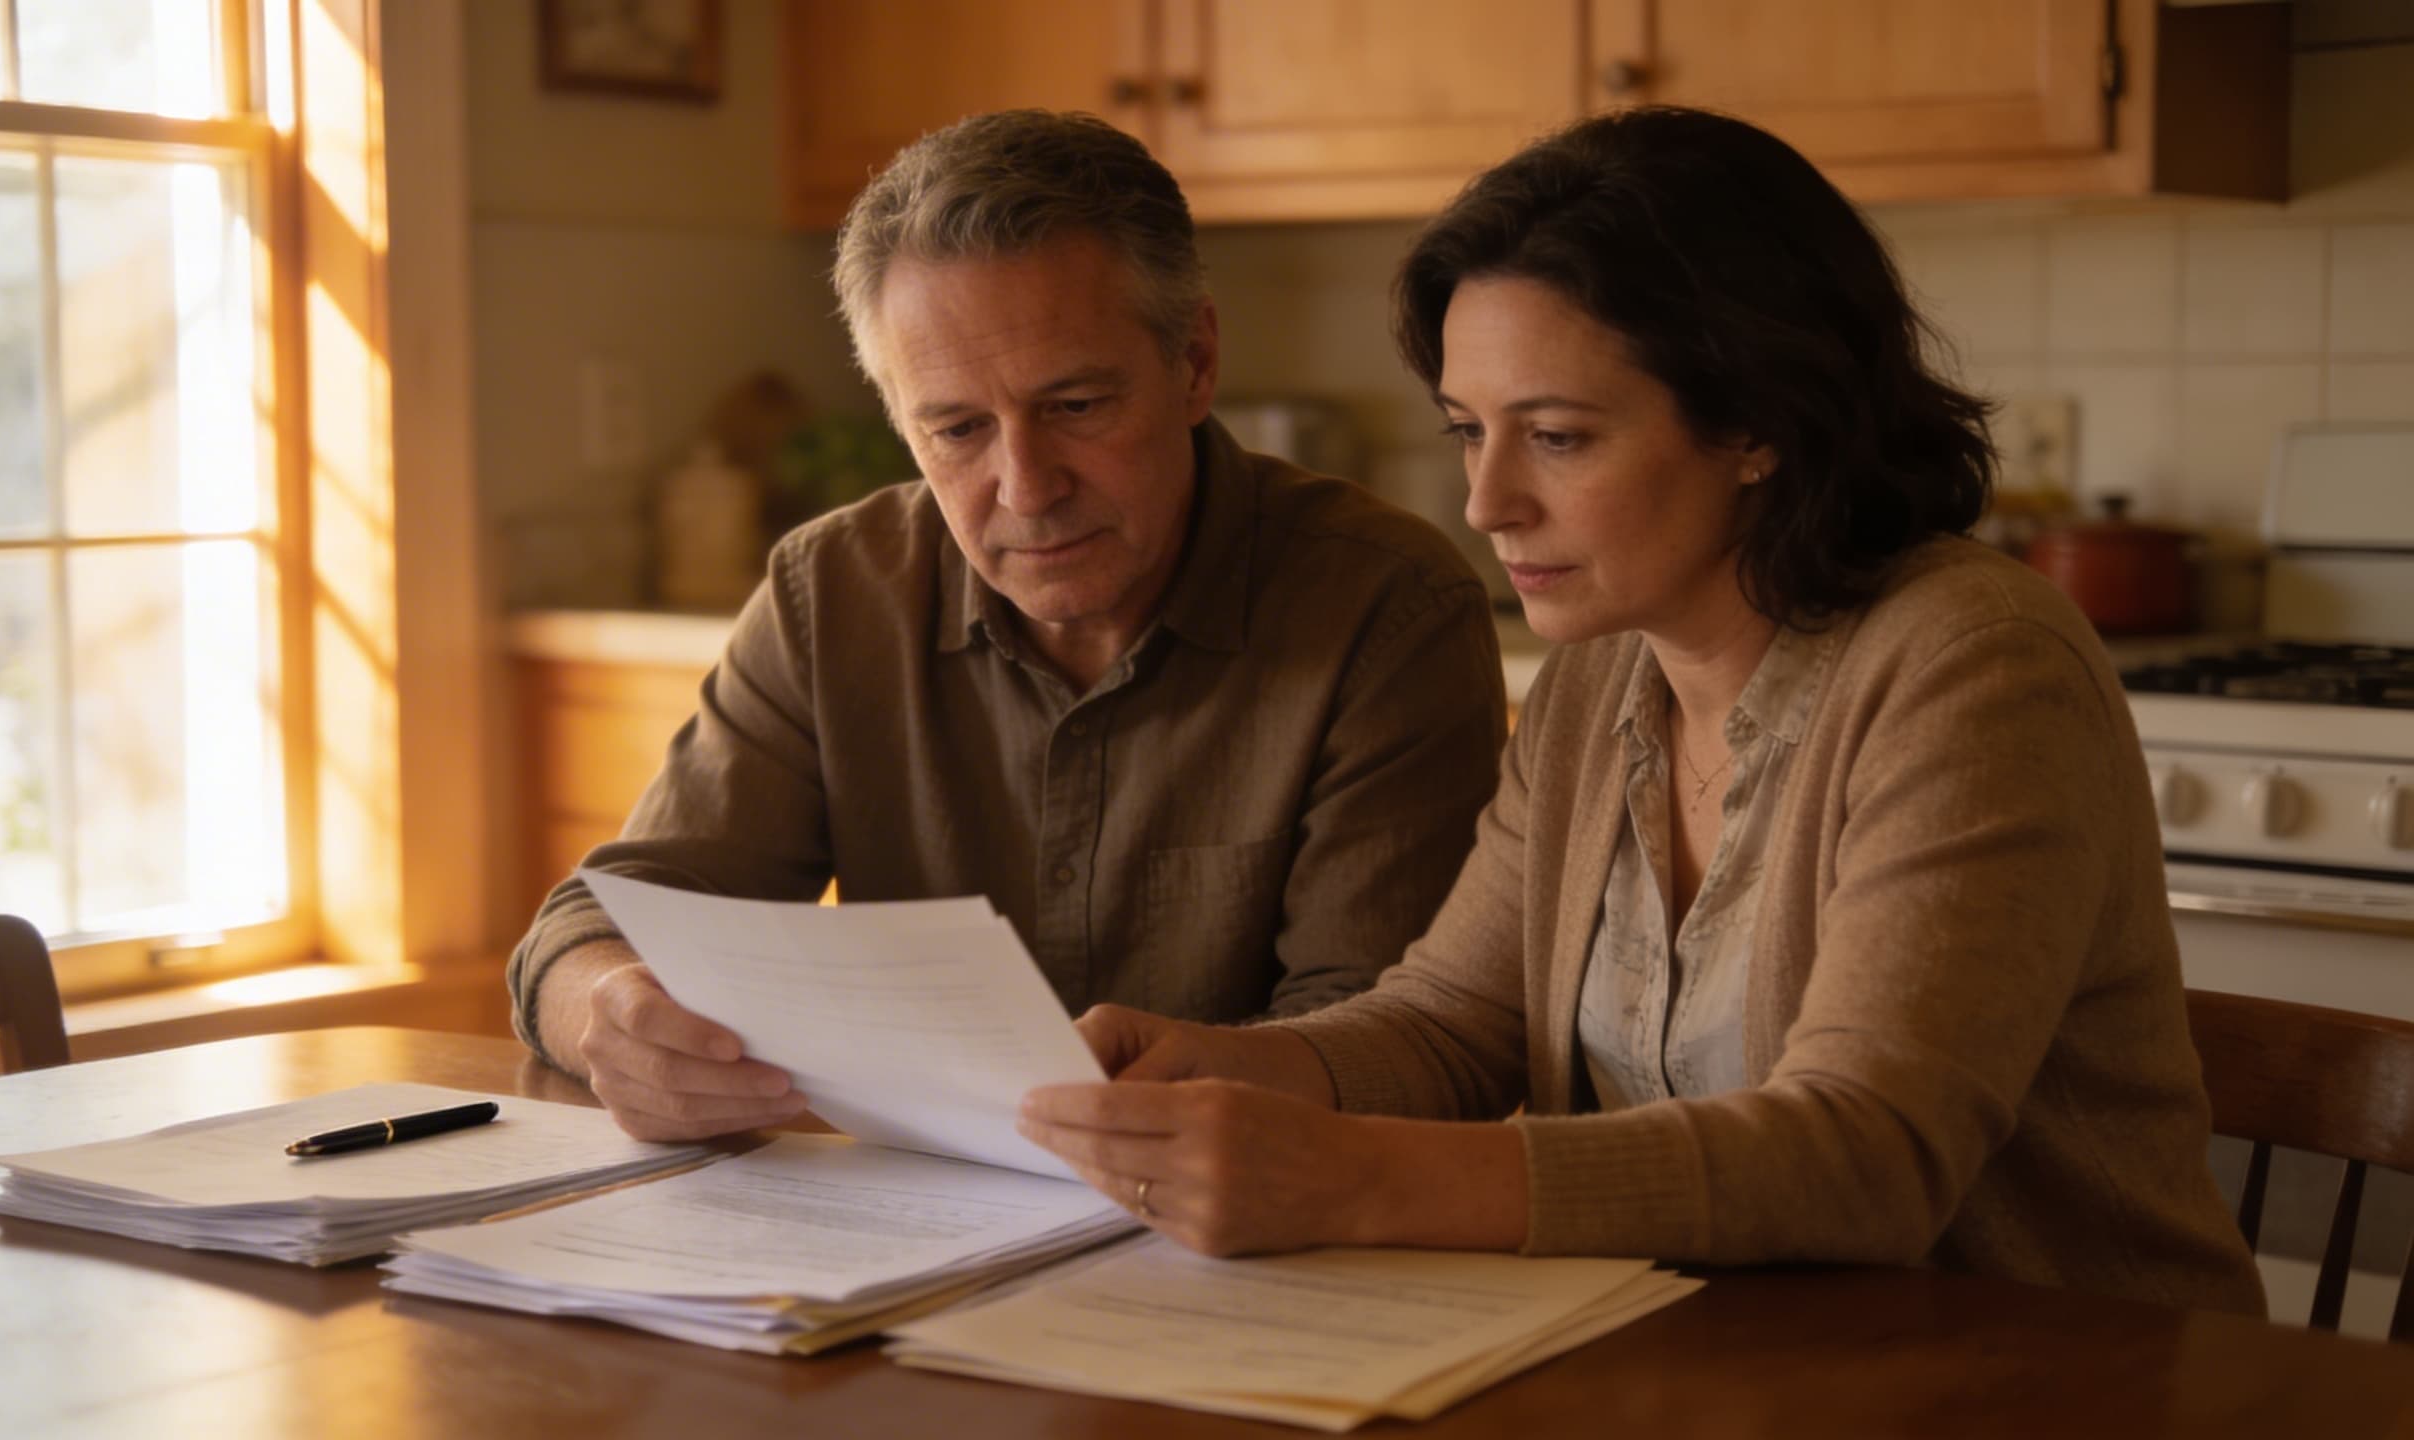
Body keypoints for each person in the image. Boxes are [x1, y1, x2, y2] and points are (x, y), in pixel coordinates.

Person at [1017, 106, 2266, 1316]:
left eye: (1555, 437)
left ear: (1757, 425)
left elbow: (1868, 1158)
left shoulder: (1973, 665)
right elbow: (1456, 1022)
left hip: (2059, 1386)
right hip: (1715, 1370)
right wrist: (1229, 1069)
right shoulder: (1598, 681)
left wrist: (1350, 1174)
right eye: (1467, 432)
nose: (1486, 503)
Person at [509, 110, 1508, 1143]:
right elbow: (593, 921)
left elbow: (1399, 1047)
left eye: (1075, 406)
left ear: (1196, 362)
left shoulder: (1384, 609)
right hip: (912, 1230)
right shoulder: (834, 593)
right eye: (956, 429)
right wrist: (612, 1014)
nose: (1025, 489)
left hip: (1248, 1244)